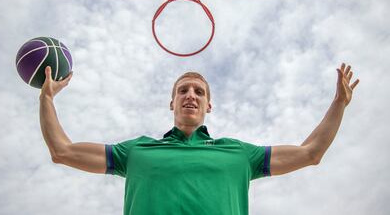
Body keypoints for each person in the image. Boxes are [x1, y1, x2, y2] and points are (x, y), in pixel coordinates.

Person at [39, 63, 359, 215]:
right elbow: (62, 151)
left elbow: (310, 153)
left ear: (208, 105)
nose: (190, 95)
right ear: (172, 102)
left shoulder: (237, 153)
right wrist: (47, 99)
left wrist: (338, 103)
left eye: (198, 91)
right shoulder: (137, 150)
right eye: (183, 90)